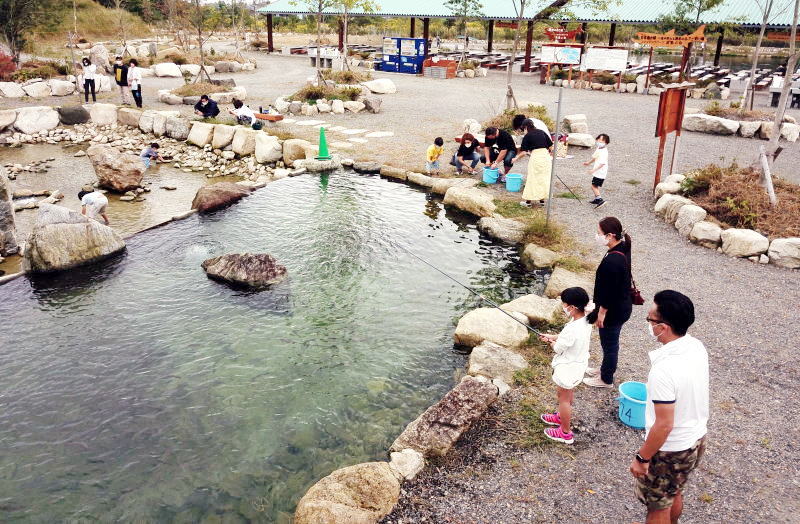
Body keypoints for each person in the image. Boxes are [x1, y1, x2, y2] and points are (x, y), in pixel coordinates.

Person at [632, 290, 708, 524]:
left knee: (657, 507)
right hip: (696, 438)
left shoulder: (664, 370)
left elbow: (664, 425)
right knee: (674, 491)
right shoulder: (696, 346)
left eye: (650, 320)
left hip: (670, 450)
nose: (649, 324)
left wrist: (642, 458)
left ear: (663, 327)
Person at [538, 287, 593, 445]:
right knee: (566, 396)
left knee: (564, 399)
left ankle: (565, 432)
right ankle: (562, 417)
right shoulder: (585, 319)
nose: (563, 307)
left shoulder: (573, 329)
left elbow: (558, 347)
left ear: (573, 307)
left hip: (568, 367)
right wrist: (552, 336)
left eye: (565, 305)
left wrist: (550, 341)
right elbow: (565, 339)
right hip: (577, 364)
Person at [584, 216, 633, 388]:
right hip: (621, 306)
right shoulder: (622, 246)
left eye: (599, 233)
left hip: (613, 311)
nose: (597, 236)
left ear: (610, 235)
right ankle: (605, 369)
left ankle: (606, 379)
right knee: (610, 342)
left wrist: (601, 313)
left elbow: (611, 291)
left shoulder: (614, 260)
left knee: (610, 344)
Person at [511, 119, 553, 207]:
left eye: (523, 129)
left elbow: (523, 152)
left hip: (536, 158)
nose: (523, 131)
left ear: (526, 127)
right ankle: (542, 201)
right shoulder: (542, 132)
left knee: (532, 178)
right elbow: (550, 146)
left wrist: (516, 158)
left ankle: (528, 202)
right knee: (543, 178)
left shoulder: (527, 136)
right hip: (546, 157)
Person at [584, 133, 610, 208]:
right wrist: (588, 162)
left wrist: (593, 170)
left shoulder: (604, 152)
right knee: (595, 185)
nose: (599, 142)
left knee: (593, 186)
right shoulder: (599, 148)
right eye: (598, 140)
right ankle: (596, 199)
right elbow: (595, 157)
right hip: (597, 172)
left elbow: (602, 164)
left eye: (602, 141)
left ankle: (600, 199)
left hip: (600, 172)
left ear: (606, 143)